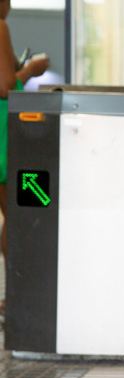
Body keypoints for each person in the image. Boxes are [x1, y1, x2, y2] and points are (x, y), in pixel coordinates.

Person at [0, 0, 48, 313]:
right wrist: (31, 69)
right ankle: (15, 297)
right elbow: (5, 86)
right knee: (19, 216)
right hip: (3, 138)